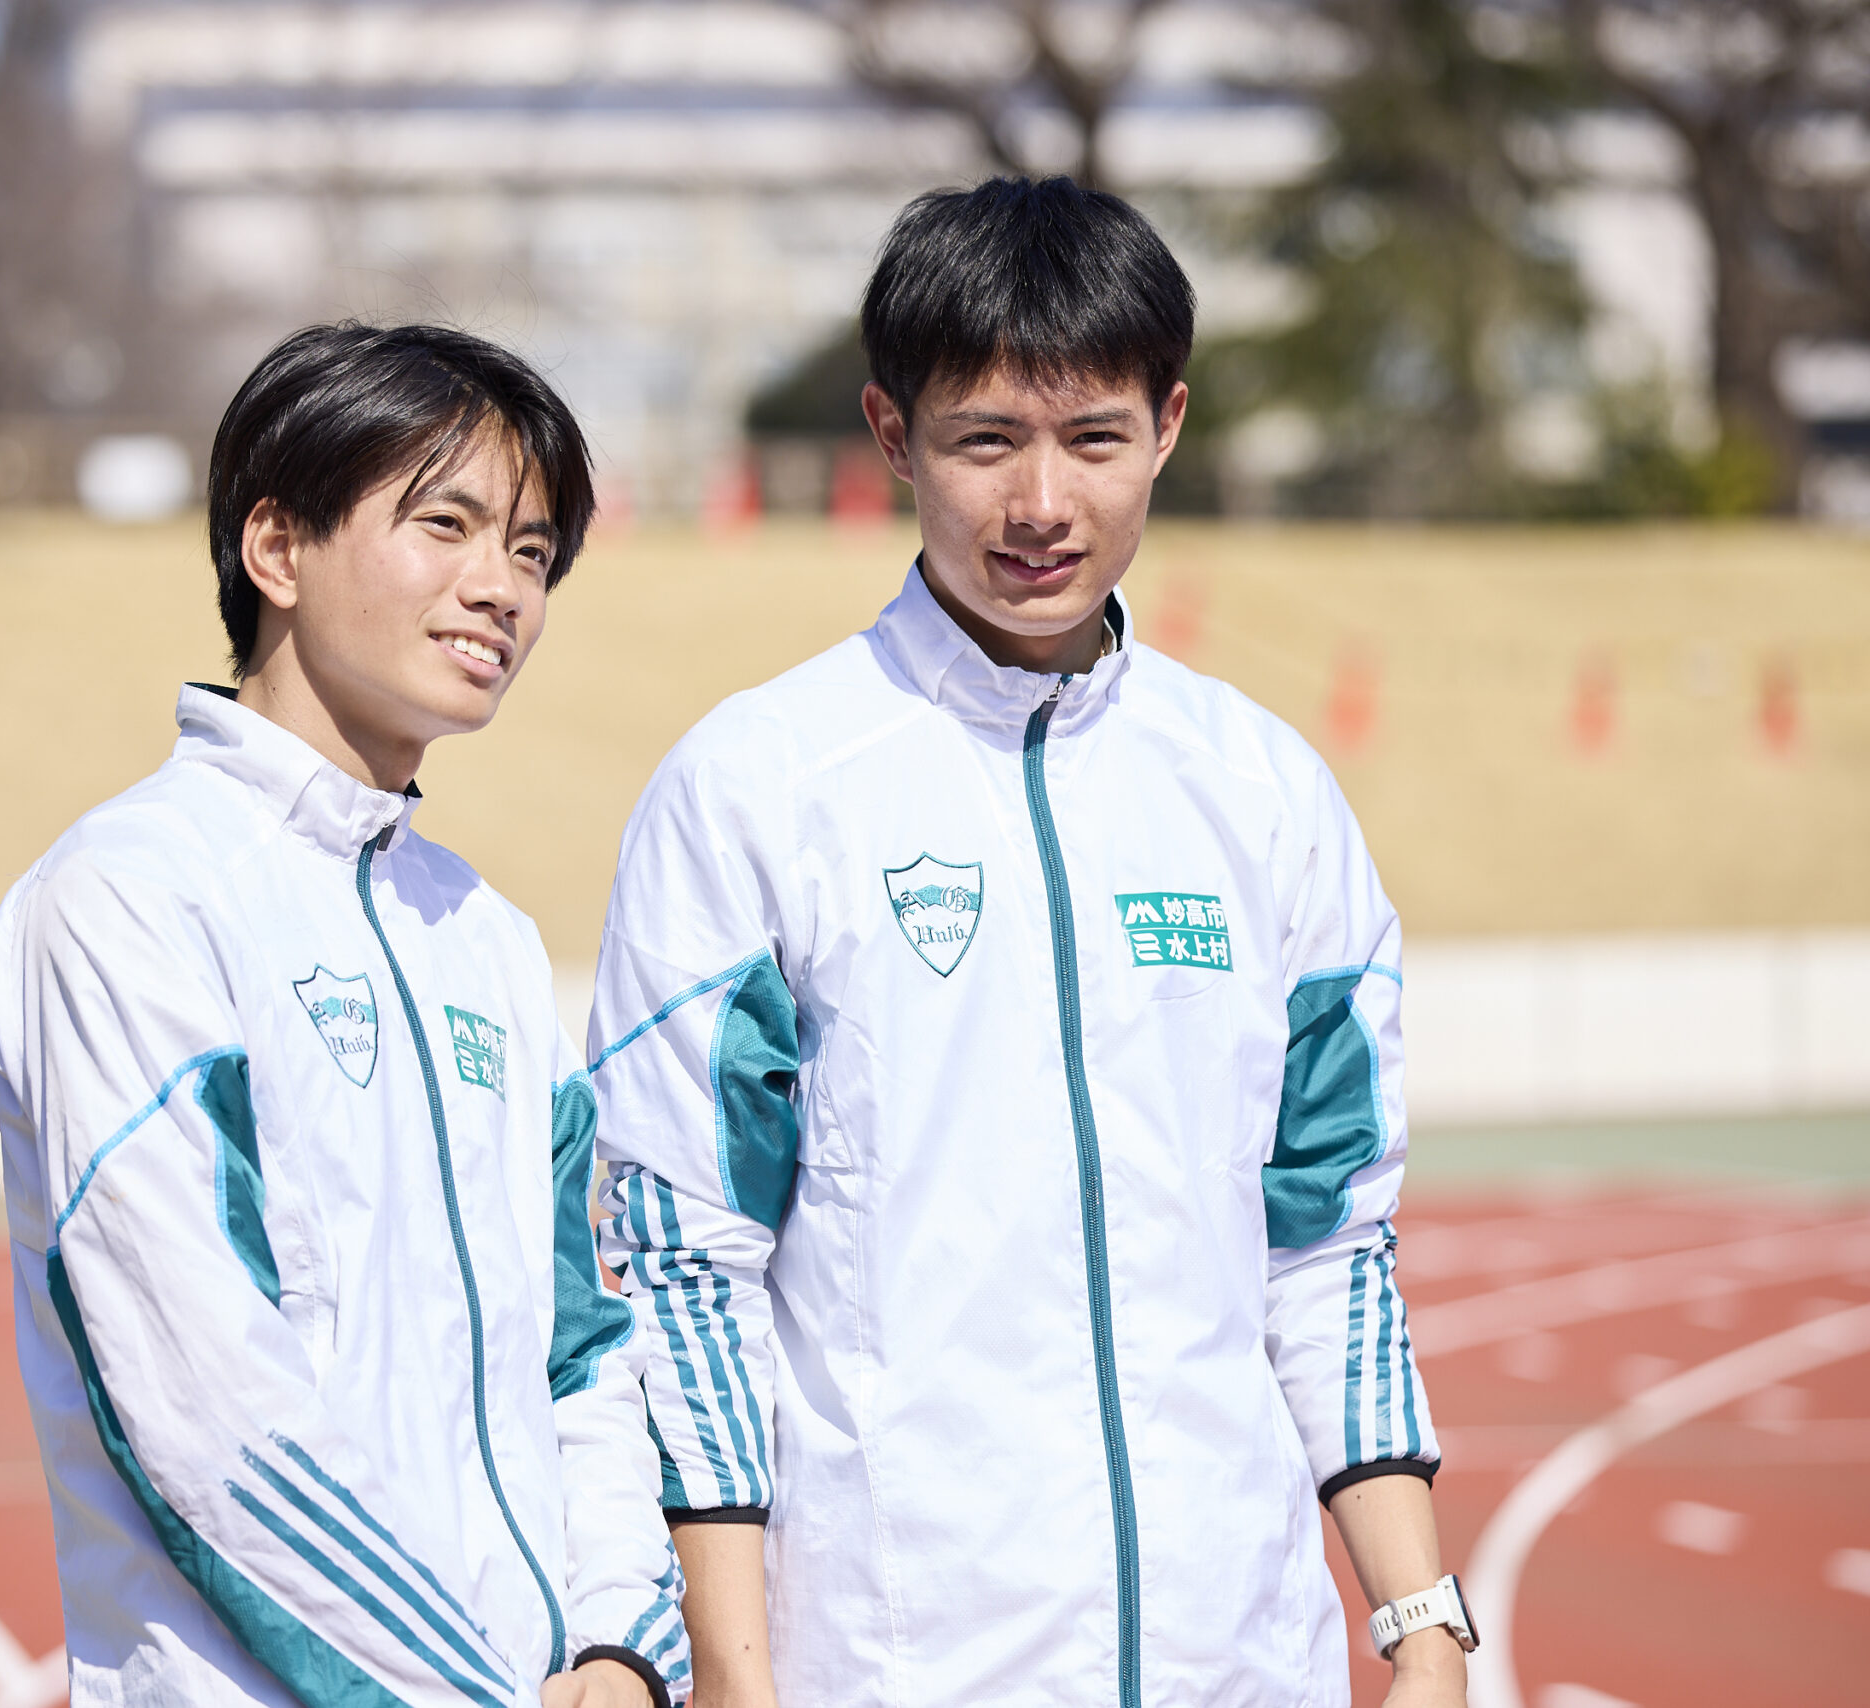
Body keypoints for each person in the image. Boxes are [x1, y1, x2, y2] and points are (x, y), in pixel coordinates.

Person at [588, 178, 1471, 1708]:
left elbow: (1328, 1236)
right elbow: (683, 1267)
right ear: (890, 436)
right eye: (988, 438)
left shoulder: (1264, 795)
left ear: (1170, 426)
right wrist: (732, 1678)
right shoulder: (758, 787)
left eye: (1095, 438)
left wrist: (1421, 1620)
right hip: (896, 1661)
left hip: (1239, 1662)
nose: (1042, 504)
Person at [0, 323, 687, 1708]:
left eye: (535, 553)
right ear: (276, 549)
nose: (502, 589)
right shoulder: (130, 896)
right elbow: (203, 1406)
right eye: (449, 525)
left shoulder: (485, 939)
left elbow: (584, 1346)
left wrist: (619, 1650)